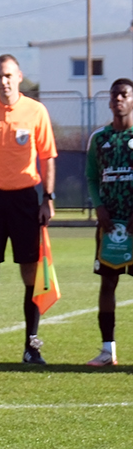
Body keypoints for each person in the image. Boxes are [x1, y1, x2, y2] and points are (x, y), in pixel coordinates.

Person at [0, 53, 57, 365]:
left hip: (25, 200)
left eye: (7, 75)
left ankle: (32, 347)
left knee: (30, 273)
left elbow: (47, 156)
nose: (3, 82)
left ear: (19, 77)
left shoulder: (36, 111)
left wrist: (48, 198)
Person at [87, 77, 133, 367]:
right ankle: (107, 350)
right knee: (107, 284)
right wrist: (99, 207)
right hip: (109, 225)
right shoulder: (100, 139)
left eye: (124, 95)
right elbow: (92, 177)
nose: (118, 99)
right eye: (114, 95)